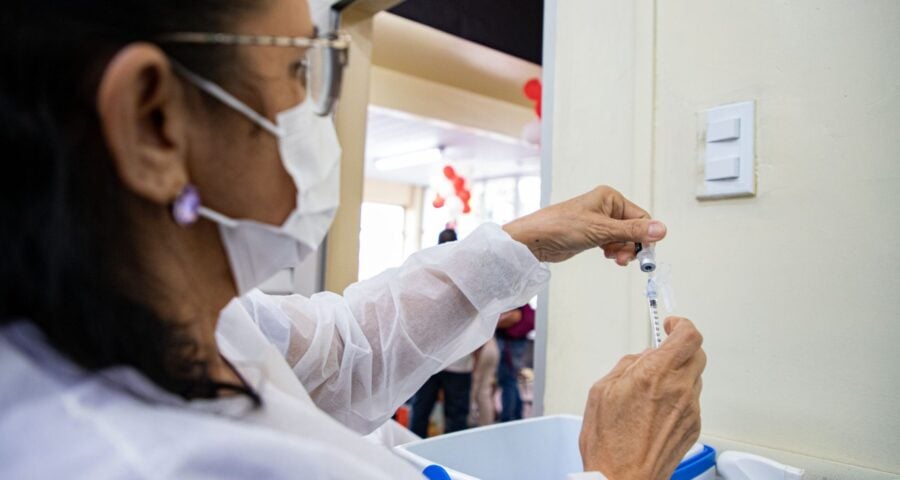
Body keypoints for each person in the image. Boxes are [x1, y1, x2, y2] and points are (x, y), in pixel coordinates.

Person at [0, 1, 705, 479]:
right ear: (153, 123)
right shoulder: (129, 460)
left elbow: (341, 355)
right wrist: (622, 468)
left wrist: (521, 244)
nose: (316, 110)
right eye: (299, 69)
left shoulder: (180, 316)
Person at [409, 228, 475, 437]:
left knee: (421, 409)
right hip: (457, 357)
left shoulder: (427, 269)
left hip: (430, 356)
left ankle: (413, 455)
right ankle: (452, 459)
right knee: (455, 415)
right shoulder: (468, 271)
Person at [495, 304, 533, 421]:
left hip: (510, 344)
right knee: (511, 380)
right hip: (516, 342)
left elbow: (515, 316)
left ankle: (508, 418)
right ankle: (516, 416)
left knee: (508, 381)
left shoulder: (512, 300)